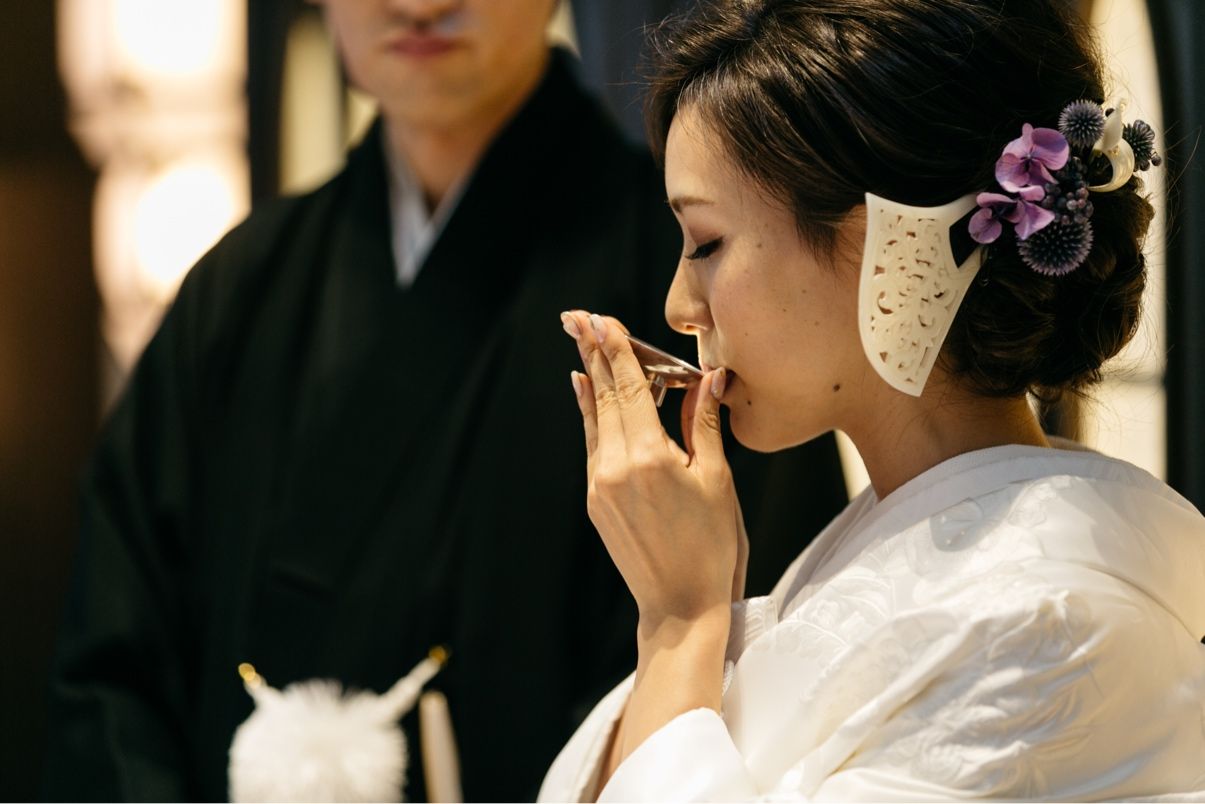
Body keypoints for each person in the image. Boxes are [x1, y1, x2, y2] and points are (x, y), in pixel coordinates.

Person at [42, 0, 849, 800]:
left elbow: (757, 647)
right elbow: (113, 662)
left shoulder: (695, 281)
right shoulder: (242, 290)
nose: (419, 6)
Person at [539, 0, 1205, 800]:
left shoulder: (1042, 625)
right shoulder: (904, 539)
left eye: (707, 243)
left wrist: (679, 622)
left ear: (885, 246)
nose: (679, 307)